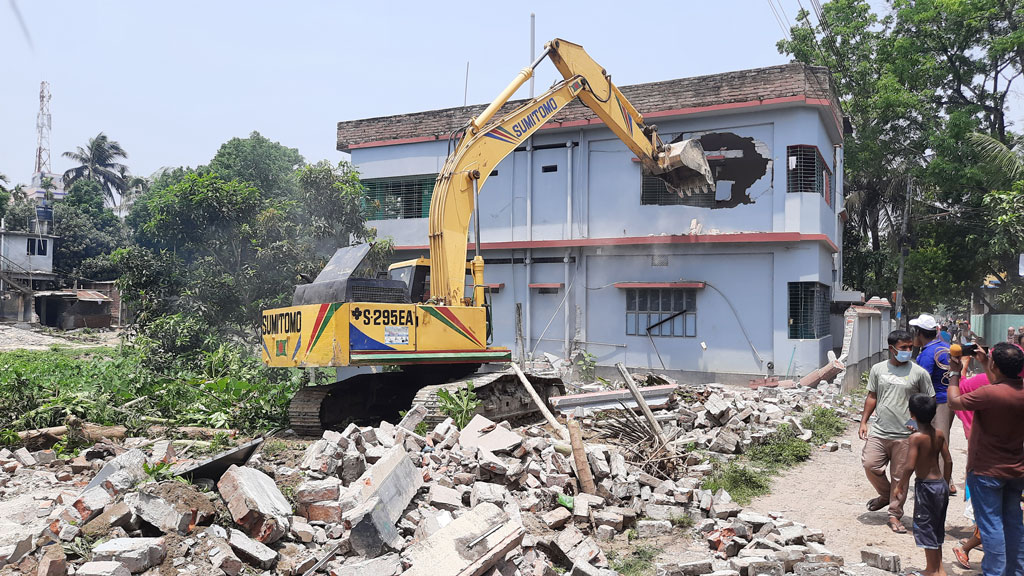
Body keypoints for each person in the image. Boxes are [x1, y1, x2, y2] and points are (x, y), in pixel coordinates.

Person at [948, 343, 1024, 576]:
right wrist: (984, 361)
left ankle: (995, 572)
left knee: (991, 526)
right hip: (1016, 470)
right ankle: (1016, 571)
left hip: (986, 470)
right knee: (1014, 524)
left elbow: (954, 401)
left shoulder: (989, 394)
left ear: (995, 365)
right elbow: (999, 386)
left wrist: (954, 373)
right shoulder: (1012, 391)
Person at [859, 329, 935, 533]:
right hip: (880, 430)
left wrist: (918, 422)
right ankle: (885, 495)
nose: (908, 351)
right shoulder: (878, 369)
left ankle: (894, 514)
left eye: (910, 347)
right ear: (892, 348)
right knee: (870, 464)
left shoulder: (919, 373)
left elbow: (930, 400)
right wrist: (864, 421)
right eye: (904, 348)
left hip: (906, 436)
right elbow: (872, 395)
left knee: (900, 477)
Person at [894, 394, 953, 576]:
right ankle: (939, 568)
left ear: (912, 414)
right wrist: (946, 481)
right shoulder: (939, 434)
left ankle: (930, 570)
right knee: (937, 526)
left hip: (926, 486)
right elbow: (948, 461)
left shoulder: (916, 438)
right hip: (940, 485)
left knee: (926, 526)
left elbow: (910, 465)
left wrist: (900, 485)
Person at [910, 314, 955, 495]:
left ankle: (943, 482)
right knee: (942, 438)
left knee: (937, 440)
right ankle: (944, 479)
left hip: (936, 402)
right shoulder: (947, 347)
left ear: (919, 333)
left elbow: (922, 381)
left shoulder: (927, 354)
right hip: (949, 400)